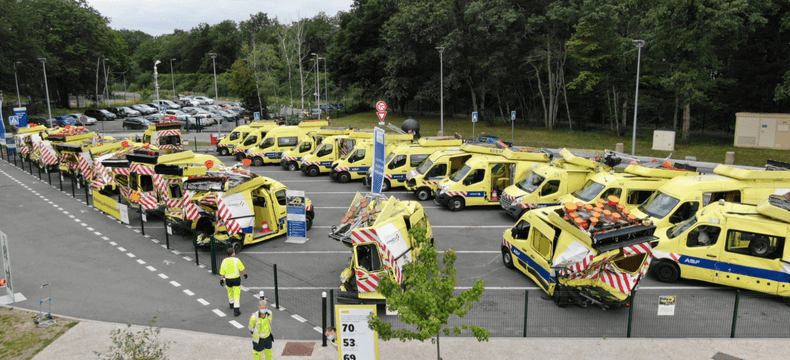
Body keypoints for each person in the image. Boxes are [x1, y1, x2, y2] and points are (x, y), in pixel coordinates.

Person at [219, 248, 247, 316]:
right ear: (233, 253)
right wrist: (245, 274)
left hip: (228, 280)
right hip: (236, 279)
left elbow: (222, 272)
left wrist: (221, 279)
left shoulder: (224, 261)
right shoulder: (236, 260)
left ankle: (231, 304)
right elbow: (242, 269)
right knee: (236, 294)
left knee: (230, 292)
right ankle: (236, 311)